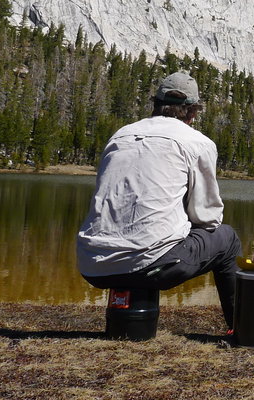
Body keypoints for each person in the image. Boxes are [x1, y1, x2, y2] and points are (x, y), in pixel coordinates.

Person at [77, 70, 241, 330]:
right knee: (227, 239)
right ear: (193, 112)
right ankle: (240, 327)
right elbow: (207, 216)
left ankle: (129, 316)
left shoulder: (120, 136)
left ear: (155, 105)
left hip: (92, 263)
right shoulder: (197, 142)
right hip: (153, 266)